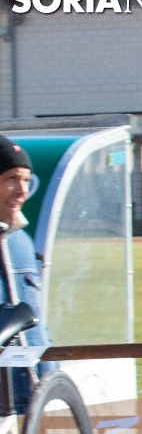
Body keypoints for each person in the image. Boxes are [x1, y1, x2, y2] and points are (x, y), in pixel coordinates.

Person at [0, 134, 51, 413]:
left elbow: (39, 327)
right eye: (11, 179)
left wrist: (52, 379)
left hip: (33, 402)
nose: (22, 190)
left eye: (26, 180)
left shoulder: (22, 242)